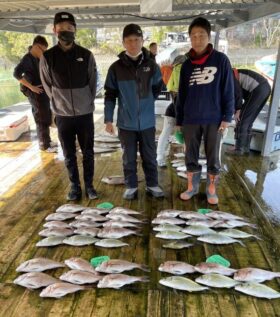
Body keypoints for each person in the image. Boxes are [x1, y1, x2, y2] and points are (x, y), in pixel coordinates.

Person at [176, 17, 234, 205]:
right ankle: (192, 186)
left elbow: (228, 89)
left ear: (209, 37)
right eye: (193, 36)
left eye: (201, 35)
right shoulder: (186, 65)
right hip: (190, 119)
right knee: (190, 154)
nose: (197, 39)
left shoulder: (221, 60)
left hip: (214, 119)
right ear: (190, 39)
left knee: (213, 155)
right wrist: (179, 120)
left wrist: (227, 116)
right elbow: (181, 94)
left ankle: (211, 189)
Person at [40, 12, 98, 201]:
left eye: (70, 28)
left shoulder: (86, 55)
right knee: (69, 154)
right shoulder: (48, 57)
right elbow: (48, 85)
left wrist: (86, 102)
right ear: (55, 30)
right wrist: (58, 103)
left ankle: (89, 185)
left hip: (85, 115)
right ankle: (75, 186)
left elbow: (92, 82)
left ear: (75, 30)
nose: (66, 31)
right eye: (62, 28)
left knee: (88, 152)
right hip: (63, 116)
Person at [104, 23, 164, 200]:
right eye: (129, 40)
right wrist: (108, 119)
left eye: (137, 40)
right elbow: (110, 95)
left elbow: (157, 89)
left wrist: (145, 105)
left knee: (150, 156)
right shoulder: (115, 68)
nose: (133, 44)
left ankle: (152, 184)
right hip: (126, 124)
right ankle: (130, 185)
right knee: (128, 158)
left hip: (147, 123)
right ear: (123, 43)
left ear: (142, 41)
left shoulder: (152, 66)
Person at [14, 36, 57, 153]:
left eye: (45, 51)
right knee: (41, 118)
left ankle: (47, 140)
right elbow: (16, 74)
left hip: (42, 91)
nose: (43, 53)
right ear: (35, 46)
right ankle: (44, 145)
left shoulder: (37, 57)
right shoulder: (27, 59)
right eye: (42, 50)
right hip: (34, 93)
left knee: (46, 115)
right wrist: (31, 87)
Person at [226, 68, 271, 155]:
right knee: (248, 120)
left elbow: (237, 93)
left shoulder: (228, 75)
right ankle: (245, 147)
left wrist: (238, 109)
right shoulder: (228, 74)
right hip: (264, 88)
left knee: (241, 119)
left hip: (258, 88)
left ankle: (239, 148)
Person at [157, 55, 187, 167]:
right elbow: (177, 103)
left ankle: (160, 157)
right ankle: (159, 156)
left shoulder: (174, 73)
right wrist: (179, 124)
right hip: (174, 112)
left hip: (179, 111)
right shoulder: (180, 74)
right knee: (166, 133)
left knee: (167, 134)